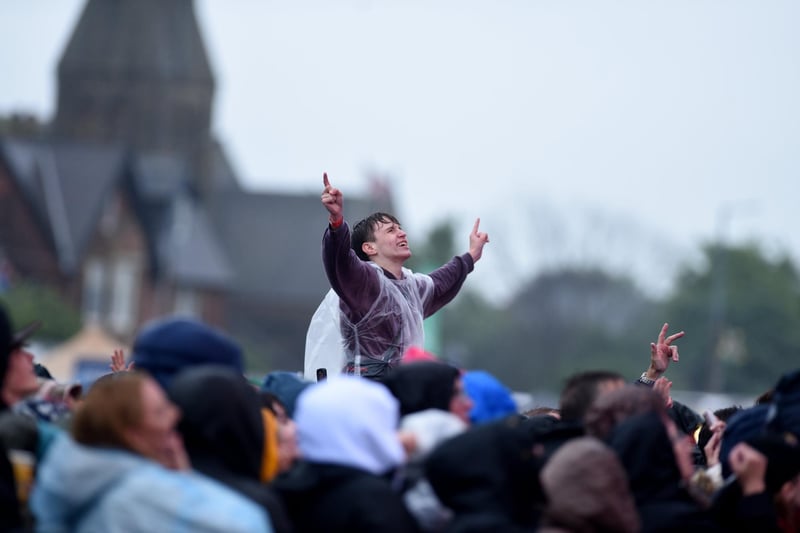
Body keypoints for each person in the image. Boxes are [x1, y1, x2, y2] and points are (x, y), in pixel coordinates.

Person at [31, 372, 273, 532]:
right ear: (131, 434)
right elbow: (248, 524)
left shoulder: (66, 470)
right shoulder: (137, 496)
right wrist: (183, 480)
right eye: (159, 412)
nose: (175, 416)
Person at [305, 172, 489, 379]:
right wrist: (337, 222)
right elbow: (339, 260)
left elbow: (442, 281)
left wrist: (472, 255)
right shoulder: (363, 281)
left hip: (404, 389)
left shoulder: (412, 287)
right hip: (366, 390)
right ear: (369, 248)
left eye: (401, 228)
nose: (402, 233)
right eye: (391, 230)